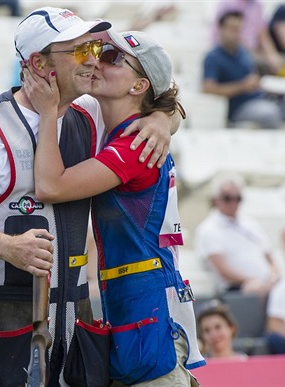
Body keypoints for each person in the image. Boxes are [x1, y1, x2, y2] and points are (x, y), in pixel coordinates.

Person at [0, 7, 179, 386]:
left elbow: (153, 90)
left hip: (74, 330)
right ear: (39, 63)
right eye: (80, 52)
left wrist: (164, 118)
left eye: (94, 48)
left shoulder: (91, 111)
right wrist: (7, 247)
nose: (93, 60)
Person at [24, 28, 205, 386]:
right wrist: (164, 116)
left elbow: (50, 186)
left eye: (110, 57)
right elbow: (169, 105)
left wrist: (47, 113)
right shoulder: (124, 128)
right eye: (96, 50)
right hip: (139, 299)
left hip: (147, 305)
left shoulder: (134, 143)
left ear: (138, 87)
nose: (94, 60)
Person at [202, 10, 285, 130]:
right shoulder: (213, 57)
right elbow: (208, 88)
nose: (236, 33)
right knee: (270, 114)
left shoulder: (244, 53)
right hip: (241, 107)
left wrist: (272, 92)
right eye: (232, 29)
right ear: (221, 29)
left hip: (265, 99)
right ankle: (280, 148)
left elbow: (253, 83)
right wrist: (242, 86)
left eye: (239, 29)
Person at [195, 174, 279, 297]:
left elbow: (270, 257)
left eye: (238, 198)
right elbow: (223, 270)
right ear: (216, 199)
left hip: (263, 284)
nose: (233, 202)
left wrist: (273, 277)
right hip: (237, 288)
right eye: (228, 198)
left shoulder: (251, 223)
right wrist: (251, 281)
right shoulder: (208, 229)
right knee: (257, 290)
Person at [211, 0, 285, 76]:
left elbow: (262, 34)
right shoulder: (229, 4)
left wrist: (273, 55)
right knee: (261, 66)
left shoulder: (257, 5)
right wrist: (255, 53)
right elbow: (232, 35)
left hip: (256, 51)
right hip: (234, 51)